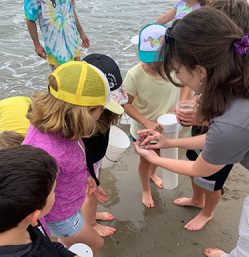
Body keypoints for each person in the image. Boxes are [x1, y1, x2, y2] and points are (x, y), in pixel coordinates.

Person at [135, 7, 249, 257]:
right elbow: (223, 140)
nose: (178, 76)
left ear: (201, 71)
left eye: (178, 69)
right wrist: (169, 142)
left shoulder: (235, 121)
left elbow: (200, 168)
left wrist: (155, 158)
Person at [23, 61, 123, 256]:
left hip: (70, 203)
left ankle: (66, 241)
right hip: (62, 216)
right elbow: (34, 202)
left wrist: (87, 176)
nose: (102, 113)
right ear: (83, 113)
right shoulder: (46, 153)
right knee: (97, 242)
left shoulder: (64, 126)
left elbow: (75, 157)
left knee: (70, 241)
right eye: (100, 109)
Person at [172, 0, 249, 232]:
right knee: (193, 160)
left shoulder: (239, 81)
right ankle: (196, 199)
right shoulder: (215, 70)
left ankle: (207, 212)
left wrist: (200, 119)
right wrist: (192, 106)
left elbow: (229, 121)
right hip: (204, 131)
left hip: (220, 142)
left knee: (212, 182)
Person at [123, 23, 178, 208]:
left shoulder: (174, 70)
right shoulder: (135, 74)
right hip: (143, 129)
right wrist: (146, 122)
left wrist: (175, 110)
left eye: (158, 60)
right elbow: (125, 104)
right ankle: (145, 189)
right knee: (146, 160)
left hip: (167, 127)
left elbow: (186, 87)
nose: (152, 65)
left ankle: (153, 174)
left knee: (159, 154)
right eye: (148, 60)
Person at [0, 145, 78, 257]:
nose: (55, 193)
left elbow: (47, 245)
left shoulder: (22, 216)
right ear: (34, 216)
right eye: (53, 190)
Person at [81, 53, 127, 237]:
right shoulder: (84, 123)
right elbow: (81, 157)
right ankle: (90, 224)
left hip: (94, 160)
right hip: (85, 164)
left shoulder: (104, 115)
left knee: (92, 192)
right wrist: (92, 177)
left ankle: (91, 214)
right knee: (90, 193)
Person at [24, 0, 90, 70]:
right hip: (55, 47)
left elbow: (71, 10)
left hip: (72, 42)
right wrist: (37, 45)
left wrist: (81, 33)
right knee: (59, 77)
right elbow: (30, 19)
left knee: (77, 75)